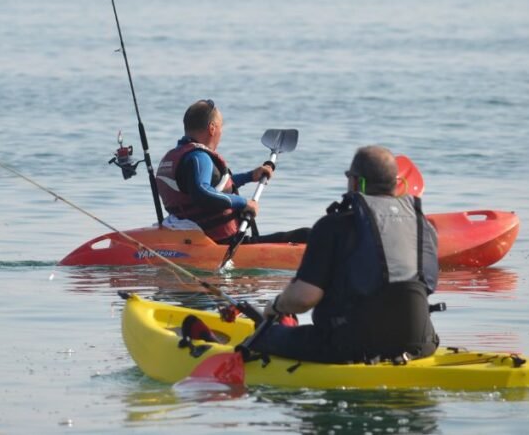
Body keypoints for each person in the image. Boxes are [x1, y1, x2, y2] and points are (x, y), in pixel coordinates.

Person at [251, 145, 439, 363]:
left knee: (260, 337)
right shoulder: (424, 226)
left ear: (357, 182)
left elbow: (303, 299)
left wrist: (274, 307)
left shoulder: (333, 227)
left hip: (350, 347)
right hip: (421, 344)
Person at [155, 99, 310, 245]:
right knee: (307, 235)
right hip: (222, 243)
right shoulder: (199, 157)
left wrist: (250, 176)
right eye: (221, 127)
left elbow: (212, 187)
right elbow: (202, 193)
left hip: (193, 239)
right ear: (212, 128)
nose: (221, 133)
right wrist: (244, 203)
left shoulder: (174, 157)